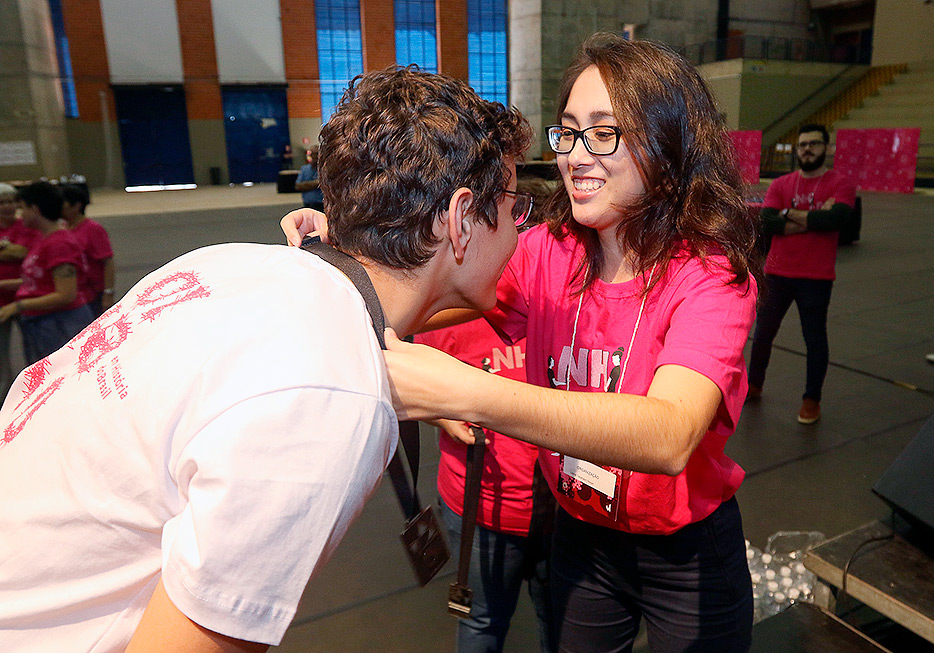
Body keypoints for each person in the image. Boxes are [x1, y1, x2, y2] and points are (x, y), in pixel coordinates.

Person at [0, 66, 532, 652]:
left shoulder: (225, 263)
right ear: (460, 220)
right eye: (513, 208)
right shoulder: (328, 392)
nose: (518, 232)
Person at [286, 34, 760, 652]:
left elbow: (670, 434)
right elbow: (414, 296)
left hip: (687, 550)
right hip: (583, 533)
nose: (576, 155)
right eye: (567, 132)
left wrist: (470, 393)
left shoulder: (709, 275)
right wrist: (349, 249)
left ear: (669, 143)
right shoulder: (547, 254)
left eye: (604, 131)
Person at [414, 176, 558, 653]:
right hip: (481, 507)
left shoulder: (560, 308)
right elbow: (411, 380)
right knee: (481, 626)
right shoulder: (452, 312)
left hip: (562, 509)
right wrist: (442, 415)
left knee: (563, 625)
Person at [746, 124, 856, 424]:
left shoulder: (840, 183)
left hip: (816, 277)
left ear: (826, 148)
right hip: (777, 273)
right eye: (802, 144)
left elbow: (839, 219)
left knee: (815, 339)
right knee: (763, 334)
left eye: (814, 144)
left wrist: (788, 214)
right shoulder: (781, 184)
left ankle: (811, 400)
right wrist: (816, 220)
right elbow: (767, 222)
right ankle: (753, 384)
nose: (807, 149)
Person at [0, 181, 92, 365]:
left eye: (23, 208)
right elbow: (38, 281)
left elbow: (66, 294)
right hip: (42, 323)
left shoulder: (59, 243)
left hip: (61, 323)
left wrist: (18, 306)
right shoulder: (43, 239)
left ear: (35, 209)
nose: (21, 214)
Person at [0, 183, 40, 397]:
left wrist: (12, 251)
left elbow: (25, 252)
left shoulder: (25, 226)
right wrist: (11, 250)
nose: (7, 206)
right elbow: (16, 252)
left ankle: (36, 392)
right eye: (2, 202)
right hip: (1, 301)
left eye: (11, 202)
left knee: (35, 351)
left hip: (28, 297)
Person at [61, 183, 116, 316]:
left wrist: (108, 293)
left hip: (93, 294)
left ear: (77, 205)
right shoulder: (62, 228)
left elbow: (108, 262)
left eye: (62, 204)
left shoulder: (93, 229)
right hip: (74, 292)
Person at [295, 146, 324, 212]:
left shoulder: (326, 169)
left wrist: (307, 184)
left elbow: (326, 184)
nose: (315, 156)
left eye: (317, 153)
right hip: (308, 204)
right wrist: (316, 183)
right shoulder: (304, 169)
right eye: (313, 154)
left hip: (321, 204)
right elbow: (298, 186)